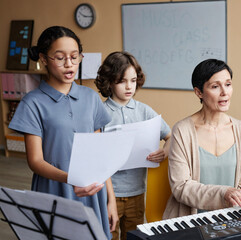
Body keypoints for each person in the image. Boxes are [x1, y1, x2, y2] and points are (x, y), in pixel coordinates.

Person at [8, 26, 118, 239]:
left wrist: (110, 199)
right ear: (44, 58)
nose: (69, 64)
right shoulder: (32, 103)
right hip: (54, 189)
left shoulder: (90, 97)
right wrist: (71, 179)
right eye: (60, 58)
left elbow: (100, 155)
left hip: (93, 191)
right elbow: (35, 161)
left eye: (74, 57)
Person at [163, 59, 241, 219]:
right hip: (189, 220)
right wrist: (224, 193)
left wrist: (240, 201)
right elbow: (181, 187)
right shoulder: (182, 131)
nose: (224, 92)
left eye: (228, 84)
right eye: (215, 86)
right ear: (199, 92)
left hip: (231, 218)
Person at [95, 51, 171, 240]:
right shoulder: (100, 113)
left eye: (133, 80)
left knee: (134, 236)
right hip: (107, 193)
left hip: (137, 192)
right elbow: (96, 156)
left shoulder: (144, 111)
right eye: (122, 81)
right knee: (108, 235)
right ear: (109, 82)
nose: (129, 86)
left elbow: (171, 136)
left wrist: (164, 152)